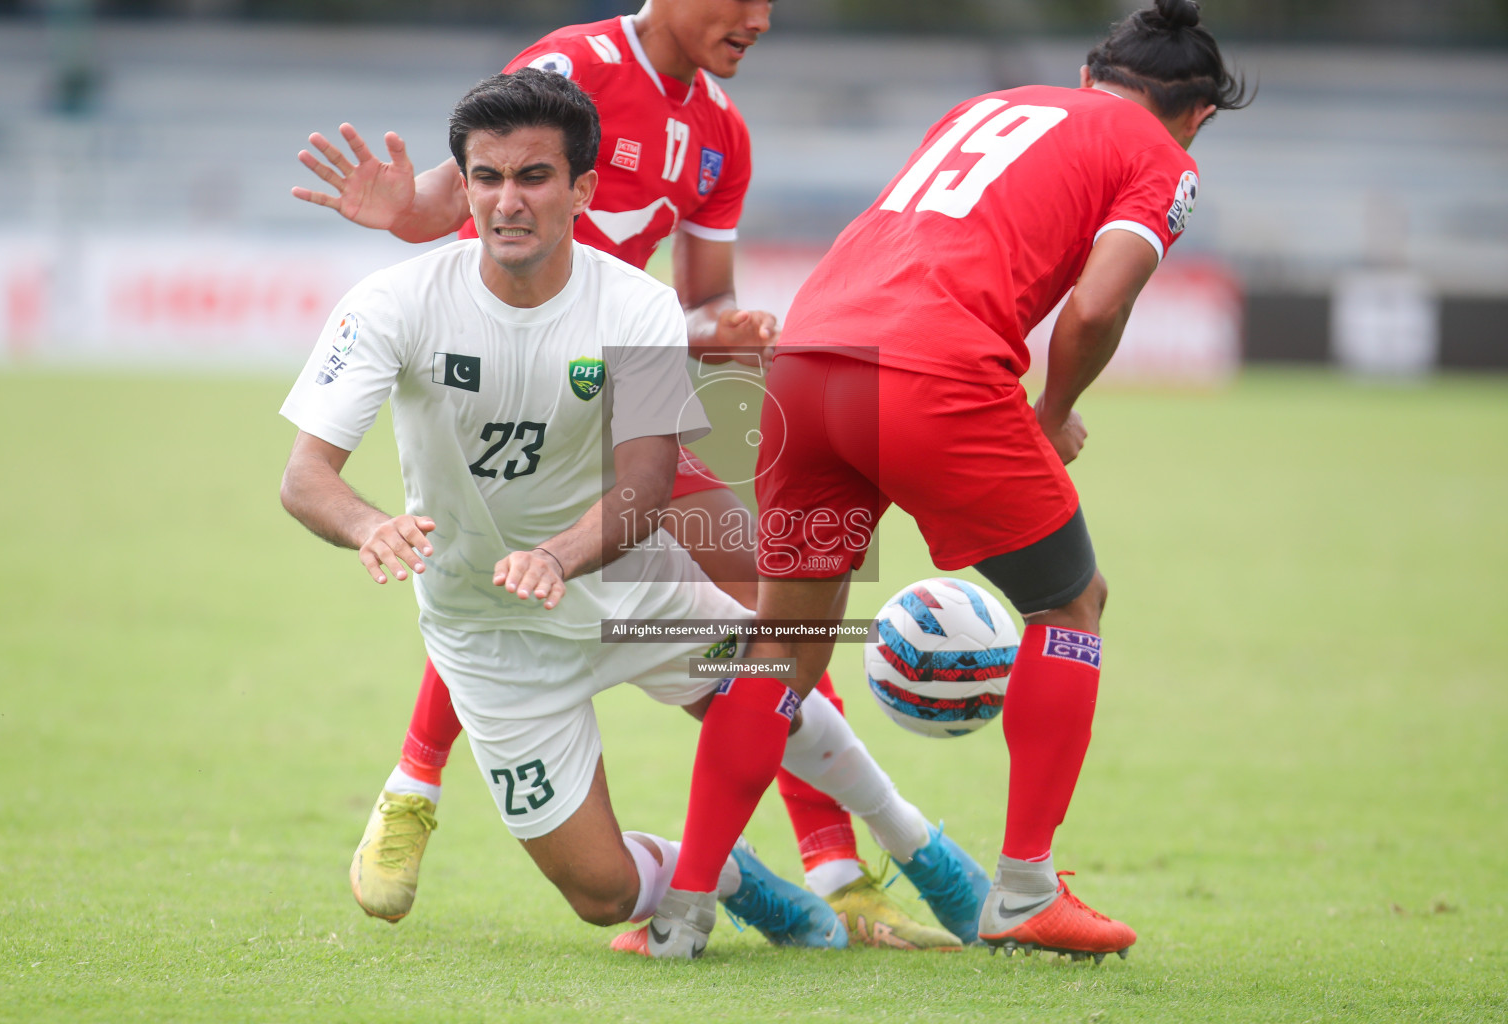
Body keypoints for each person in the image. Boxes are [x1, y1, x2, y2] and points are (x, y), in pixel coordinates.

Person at [291, 0, 984, 951]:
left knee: (782, 618)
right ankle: (416, 783)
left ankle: (861, 865)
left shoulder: (720, 137)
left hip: (626, 394)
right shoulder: (573, 67)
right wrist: (405, 211)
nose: (760, 18)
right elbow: (458, 197)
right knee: (493, 566)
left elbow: (702, 304)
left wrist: (726, 336)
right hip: (501, 415)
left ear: (579, 186)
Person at [652, 0, 1252, 960]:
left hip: (804, 364)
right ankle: (1023, 892)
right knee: (1072, 603)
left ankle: (682, 913)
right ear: (1198, 116)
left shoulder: (993, 106)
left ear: (1092, 78)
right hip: (930, 374)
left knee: (783, 648)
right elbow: (1097, 306)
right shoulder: (1160, 156)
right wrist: (1049, 416)